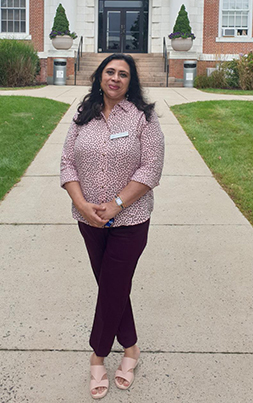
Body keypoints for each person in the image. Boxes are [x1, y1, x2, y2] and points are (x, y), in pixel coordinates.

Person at [60, 53, 164, 399]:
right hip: (89, 220)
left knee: (112, 286)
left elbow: (150, 170)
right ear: (100, 77)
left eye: (123, 74)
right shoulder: (82, 117)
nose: (115, 78)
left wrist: (117, 204)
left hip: (130, 220)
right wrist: (81, 203)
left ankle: (98, 355)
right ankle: (131, 349)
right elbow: (66, 164)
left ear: (130, 81)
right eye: (110, 72)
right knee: (112, 287)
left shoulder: (143, 119)